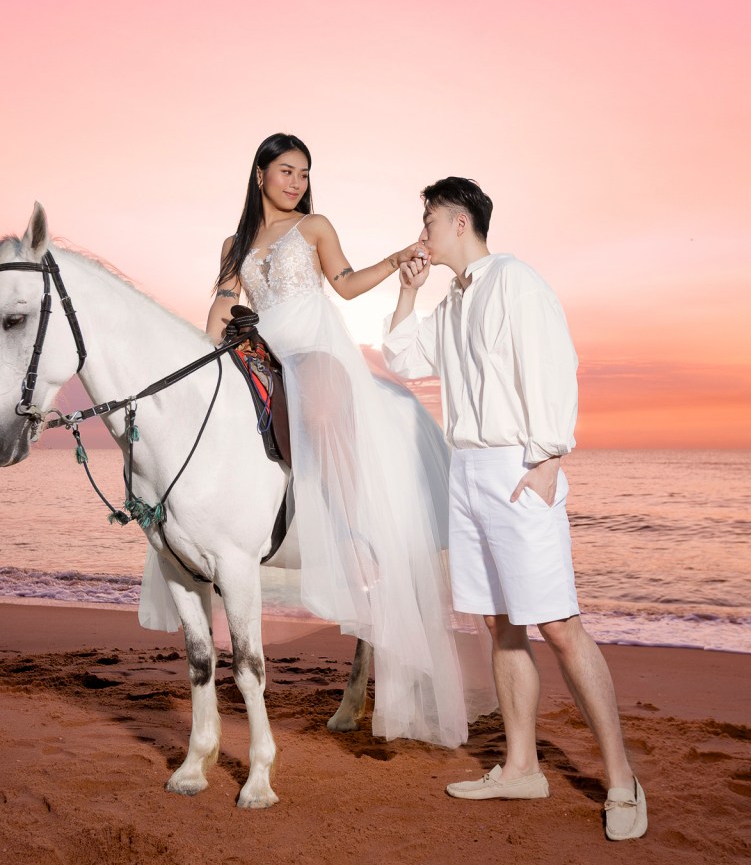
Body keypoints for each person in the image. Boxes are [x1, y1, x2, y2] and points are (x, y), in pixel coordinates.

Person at [197, 132, 488, 748]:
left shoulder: (316, 226)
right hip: (261, 353)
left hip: (314, 351)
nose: (296, 181)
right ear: (260, 174)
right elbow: (224, 306)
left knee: (323, 407)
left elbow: (348, 284)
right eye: (285, 171)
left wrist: (402, 257)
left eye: (304, 172)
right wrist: (207, 358)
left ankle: (355, 535)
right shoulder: (234, 245)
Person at [383, 177, 647, 841]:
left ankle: (622, 779)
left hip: (517, 468)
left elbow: (558, 365)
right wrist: (409, 288)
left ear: (461, 221)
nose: (424, 232)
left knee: (558, 624)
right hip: (467, 471)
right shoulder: (450, 301)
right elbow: (402, 358)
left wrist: (549, 459)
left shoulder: (517, 283)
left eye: (430, 221)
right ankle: (522, 766)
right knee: (499, 623)